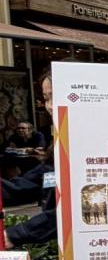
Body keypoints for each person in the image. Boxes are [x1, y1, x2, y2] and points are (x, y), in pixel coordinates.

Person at [4, 73, 56, 247]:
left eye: (54, 97)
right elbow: (27, 185)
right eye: (46, 99)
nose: (49, 106)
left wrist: (13, 235)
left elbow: (71, 211)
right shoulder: (58, 142)